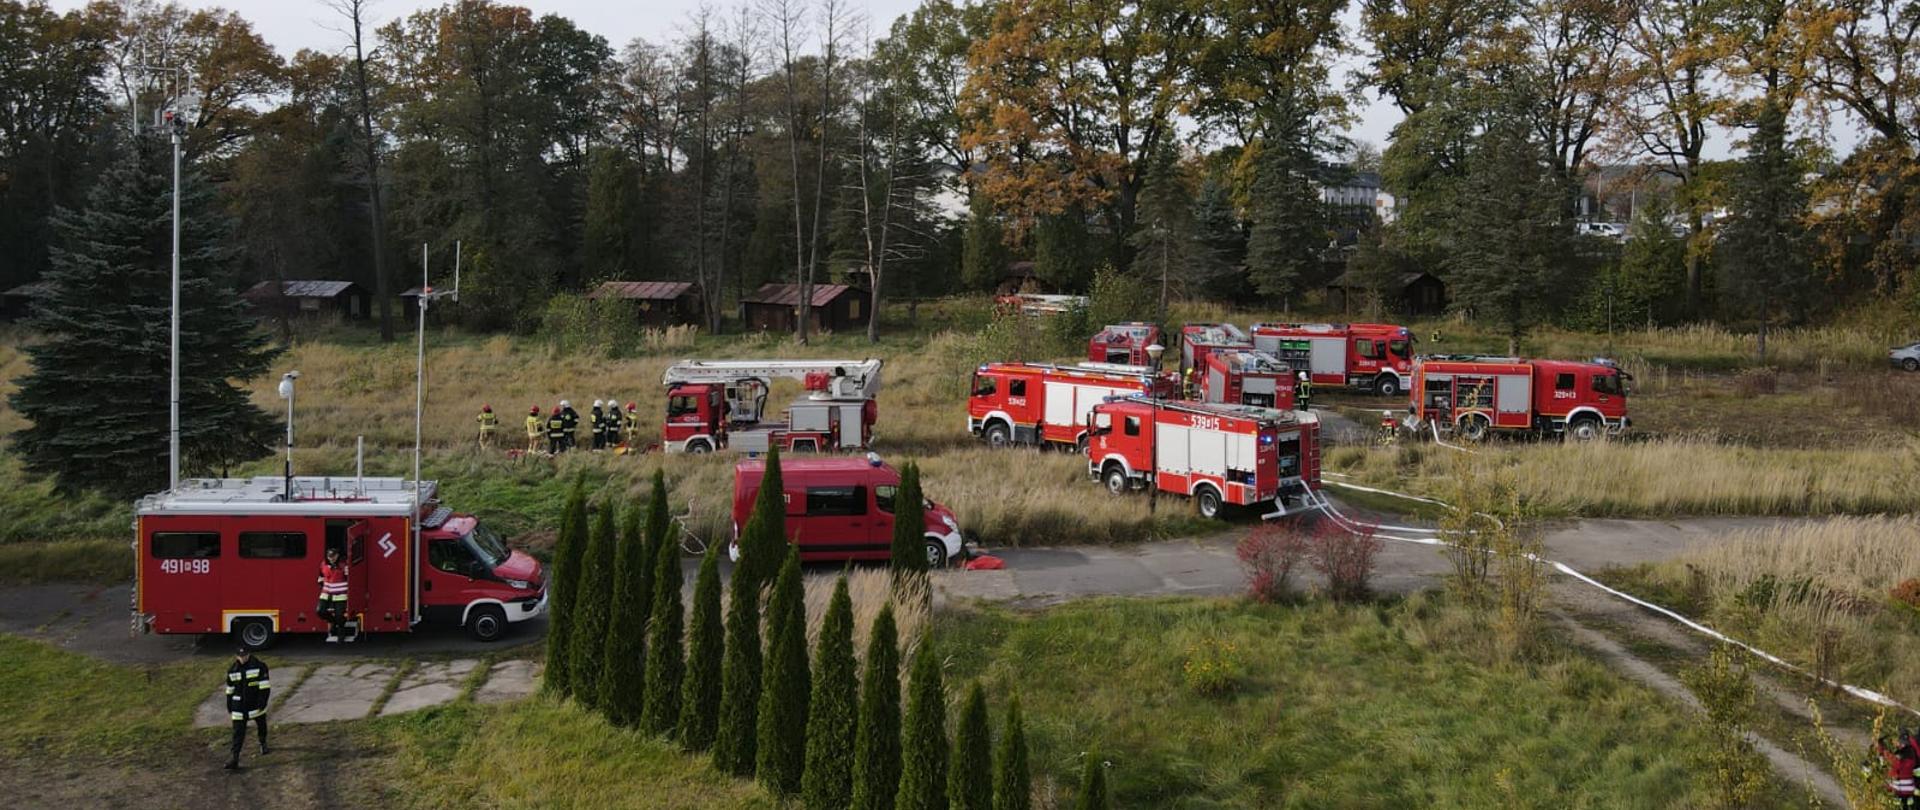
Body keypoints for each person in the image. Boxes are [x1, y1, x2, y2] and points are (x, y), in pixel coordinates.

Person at [223, 646, 271, 770]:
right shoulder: (232, 670)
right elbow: (230, 689)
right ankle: (235, 758)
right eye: (240, 656)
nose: (242, 658)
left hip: (255, 704)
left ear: (248, 654)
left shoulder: (259, 666)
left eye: (244, 655)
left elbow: (265, 686)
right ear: (236, 656)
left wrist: (262, 702)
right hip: (239, 706)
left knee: (261, 725)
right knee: (237, 733)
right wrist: (229, 704)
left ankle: (262, 742)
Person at [317, 547, 350, 642]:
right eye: (330, 556)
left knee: (340, 615)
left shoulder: (344, 565)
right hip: (326, 592)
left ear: (337, 555)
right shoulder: (323, 564)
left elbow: (349, 577)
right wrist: (319, 580)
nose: (332, 558)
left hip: (340, 593)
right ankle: (332, 620)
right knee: (320, 611)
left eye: (333, 556)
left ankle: (341, 632)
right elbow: (320, 575)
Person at [1879, 730, 1919, 809]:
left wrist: (1882, 748)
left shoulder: (1899, 761)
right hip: (1909, 791)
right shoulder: (1912, 757)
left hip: (1900, 791)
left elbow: (1891, 759)